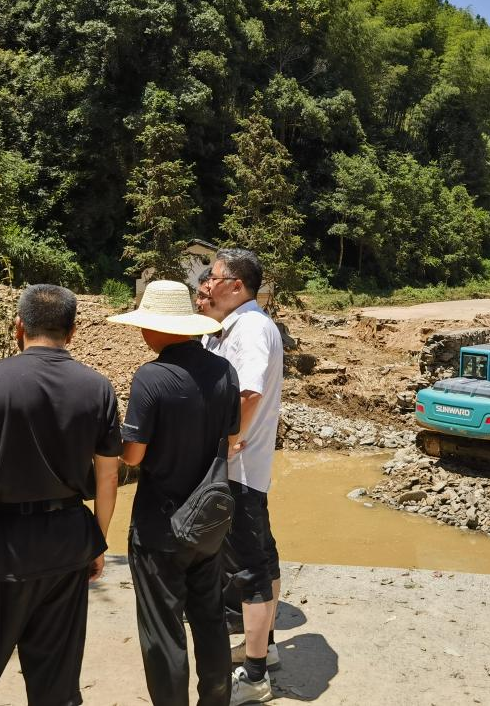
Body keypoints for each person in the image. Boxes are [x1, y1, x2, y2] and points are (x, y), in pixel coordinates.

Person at [0, 284, 121, 706]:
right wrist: (98, 541)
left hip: (6, 547)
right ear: (72, 332)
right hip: (69, 541)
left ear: (18, 326)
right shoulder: (97, 387)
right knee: (56, 683)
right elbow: (108, 478)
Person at [110, 280, 240, 706]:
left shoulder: (152, 377)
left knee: (162, 630)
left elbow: (132, 455)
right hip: (210, 520)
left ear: (156, 328)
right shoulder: (224, 370)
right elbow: (232, 435)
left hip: (160, 526)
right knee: (210, 619)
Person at [200, 248, 284, 706]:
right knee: (263, 558)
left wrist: (231, 435)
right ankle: (265, 650)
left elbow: (248, 391)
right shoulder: (237, 325)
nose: (206, 285)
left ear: (236, 285)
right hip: (249, 468)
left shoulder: (250, 328)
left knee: (249, 568)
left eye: (212, 278)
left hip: (240, 468)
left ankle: (254, 677)